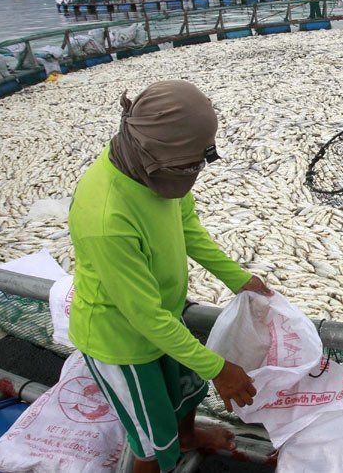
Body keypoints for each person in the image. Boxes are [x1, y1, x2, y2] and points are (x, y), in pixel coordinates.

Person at [68, 81, 274, 473]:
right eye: (186, 166)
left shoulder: (156, 170)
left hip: (165, 317)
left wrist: (238, 278)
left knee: (184, 395)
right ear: (156, 156)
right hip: (123, 343)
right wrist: (219, 369)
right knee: (149, 439)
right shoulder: (106, 217)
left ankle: (188, 434)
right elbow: (143, 318)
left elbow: (186, 225)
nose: (192, 173)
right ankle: (164, 453)